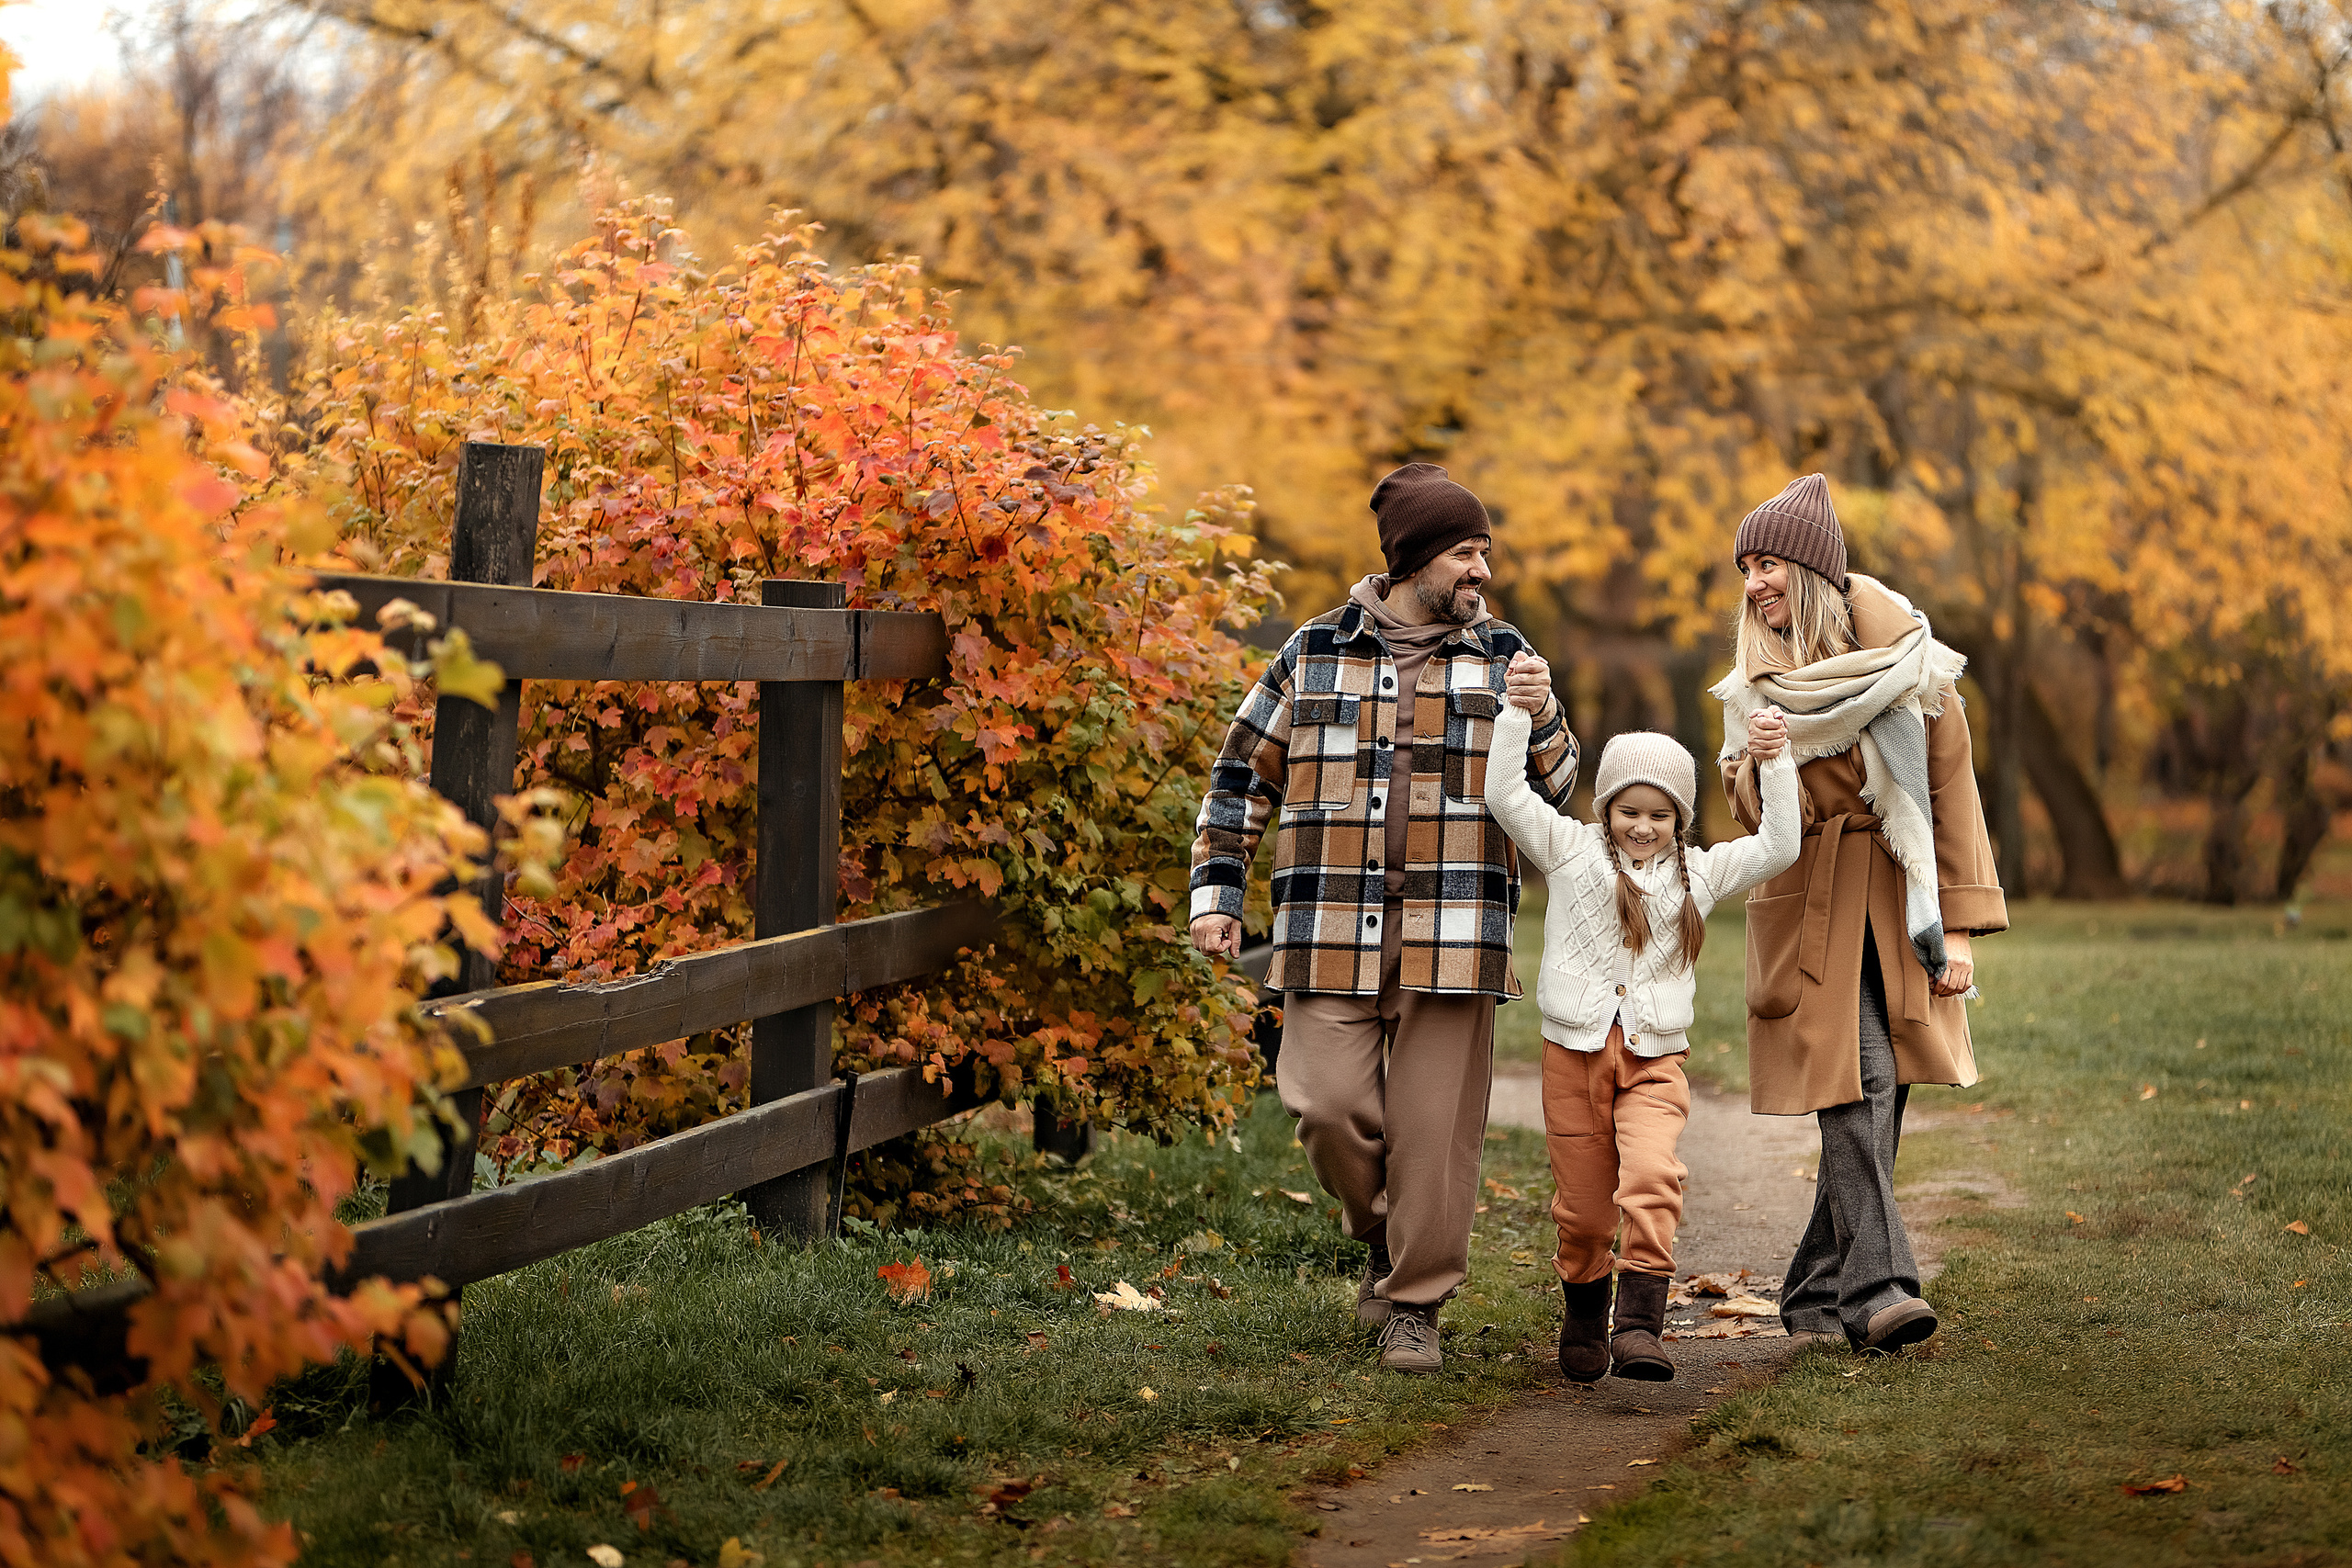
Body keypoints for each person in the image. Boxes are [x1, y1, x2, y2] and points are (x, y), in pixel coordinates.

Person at [1187, 462, 1577, 1375]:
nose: (1481, 570)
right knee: (1324, 1106)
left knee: (1434, 1136)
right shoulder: (1314, 649)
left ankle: (1414, 1302)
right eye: (1464, 553)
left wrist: (1543, 714)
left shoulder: (1505, 656)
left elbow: (1559, 792)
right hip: (1327, 922)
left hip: (1455, 930)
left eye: (1484, 551)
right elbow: (1239, 778)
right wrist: (1217, 897)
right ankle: (1384, 1238)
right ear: (1412, 560)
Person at [1713, 473, 2007, 1353]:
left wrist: (1957, 929)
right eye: (1746, 568)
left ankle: (1813, 1288)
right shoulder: (1755, 684)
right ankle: (1880, 1291)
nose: (1754, 583)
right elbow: (1753, 815)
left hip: (1901, 895)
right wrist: (1761, 764)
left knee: (1885, 1088)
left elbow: (1951, 796)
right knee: (1857, 1083)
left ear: (1808, 569)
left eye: (1768, 564)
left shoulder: (1914, 663)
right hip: (1814, 899)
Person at [1485, 693, 1801, 1382]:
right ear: (1606, 808)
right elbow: (1505, 794)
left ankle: (1637, 1326)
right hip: (1573, 1058)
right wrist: (1517, 713)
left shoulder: (1701, 873)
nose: (1643, 826)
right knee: (1583, 1212)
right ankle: (1583, 1317)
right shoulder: (1569, 850)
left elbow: (1781, 844)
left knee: (1653, 1178)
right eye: (1630, 811)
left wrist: (1775, 762)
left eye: (1660, 815)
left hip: (1655, 1060)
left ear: (1679, 819)